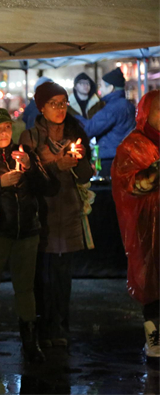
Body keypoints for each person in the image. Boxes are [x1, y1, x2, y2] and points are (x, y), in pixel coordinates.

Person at [0, 108, 52, 363]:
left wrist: (31, 168)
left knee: (25, 288)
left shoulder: (25, 153)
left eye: (6, 127)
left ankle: (30, 344)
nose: (3, 133)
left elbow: (49, 186)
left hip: (27, 231)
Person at [19, 81, 93, 350]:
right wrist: (56, 165)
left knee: (63, 275)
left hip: (70, 212)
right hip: (44, 214)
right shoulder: (31, 137)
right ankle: (43, 327)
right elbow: (28, 177)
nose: (60, 108)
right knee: (43, 274)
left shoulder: (75, 133)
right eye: (54, 103)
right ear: (41, 107)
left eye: (63, 102)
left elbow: (86, 175)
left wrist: (80, 160)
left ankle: (61, 326)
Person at [111, 90, 160, 361]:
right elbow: (133, 183)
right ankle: (154, 336)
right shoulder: (133, 145)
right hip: (148, 226)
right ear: (146, 113)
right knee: (152, 282)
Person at [74, 68, 136, 176]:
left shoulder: (113, 108)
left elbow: (89, 129)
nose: (100, 90)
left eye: (101, 86)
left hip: (111, 159)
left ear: (111, 88)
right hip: (124, 156)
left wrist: (73, 117)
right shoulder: (126, 104)